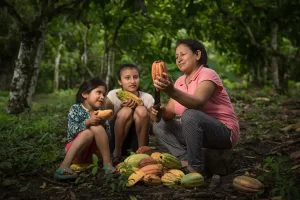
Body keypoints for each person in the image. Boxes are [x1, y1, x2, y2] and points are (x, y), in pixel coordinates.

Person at [151, 39, 239, 175]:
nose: (179, 59)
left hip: (223, 133)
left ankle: (196, 167)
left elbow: (198, 103)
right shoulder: (180, 81)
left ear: (197, 55)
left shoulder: (207, 74)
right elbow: (169, 114)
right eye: (176, 57)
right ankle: (183, 159)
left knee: (190, 114)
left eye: (183, 54)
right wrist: (159, 110)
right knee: (159, 125)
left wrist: (171, 91)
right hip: (195, 133)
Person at [55, 78, 115, 180]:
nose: (102, 97)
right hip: (77, 153)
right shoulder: (76, 109)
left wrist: (103, 124)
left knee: (97, 127)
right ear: (85, 94)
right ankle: (64, 166)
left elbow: (108, 137)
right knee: (88, 133)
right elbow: (72, 131)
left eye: (104, 94)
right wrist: (87, 122)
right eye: (98, 92)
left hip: (94, 156)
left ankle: (107, 164)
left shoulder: (101, 113)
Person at [105, 64, 155, 164]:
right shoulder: (112, 96)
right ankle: (117, 152)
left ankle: (142, 152)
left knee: (141, 110)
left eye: (135, 77)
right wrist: (120, 109)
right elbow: (106, 124)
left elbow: (153, 128)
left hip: (136, 142)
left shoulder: (147, 98)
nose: (132, 81)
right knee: (126, 111)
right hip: (115, 141)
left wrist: (144, 109)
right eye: (127, 78)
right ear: (120, 81)